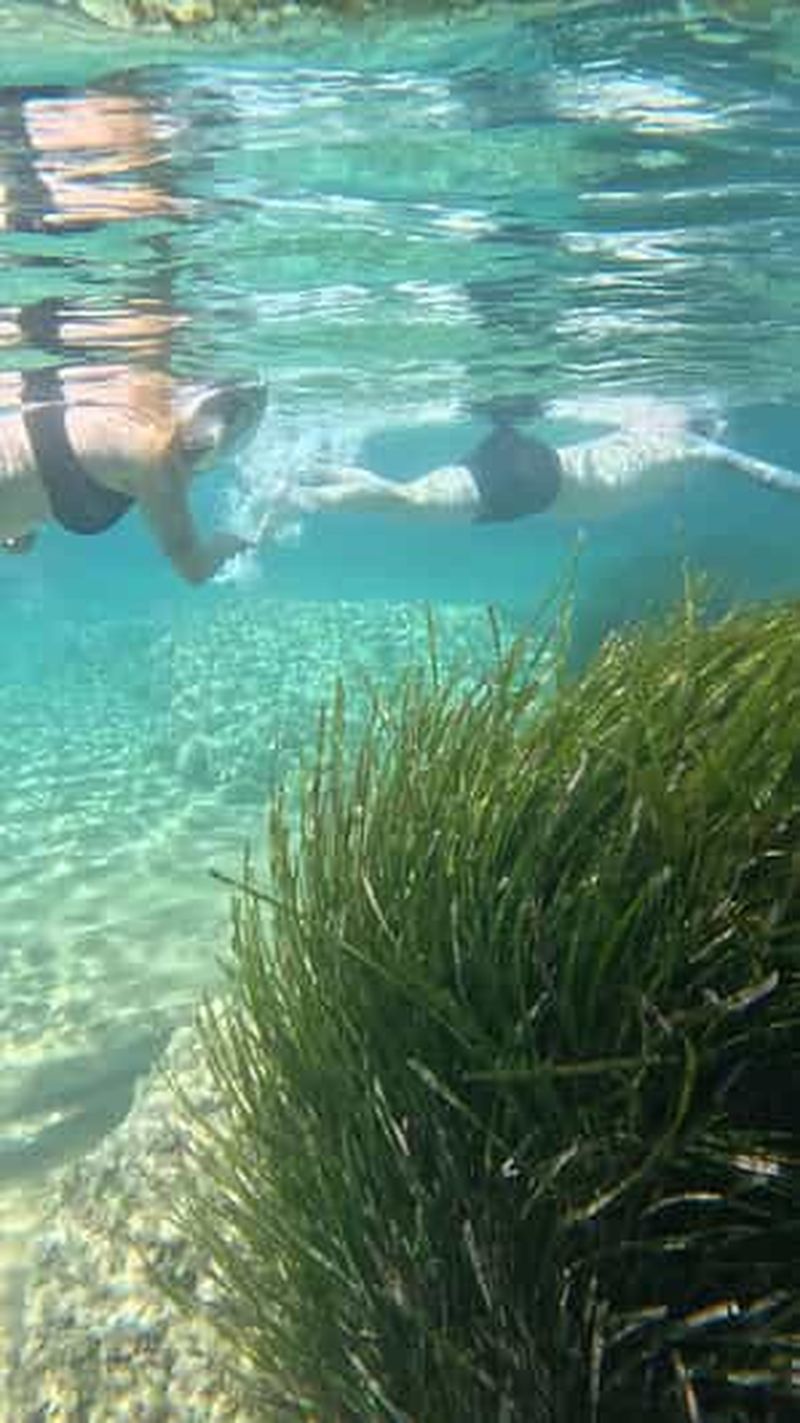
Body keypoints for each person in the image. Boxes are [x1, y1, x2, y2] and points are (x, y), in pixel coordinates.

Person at [279, 399, 800, 527]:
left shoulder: (646, 434)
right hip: (538, 484)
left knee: (408, 494)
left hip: (532, 468)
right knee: (407, 501)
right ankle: (300, 495)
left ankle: (308, 474)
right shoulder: (694, 448)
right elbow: (769, 475)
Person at [0, 362, 267, 583]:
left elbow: (35, 463)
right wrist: (246, 540)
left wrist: (20, 522)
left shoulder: (119, 425)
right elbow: (194, 569)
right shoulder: (154, 459)